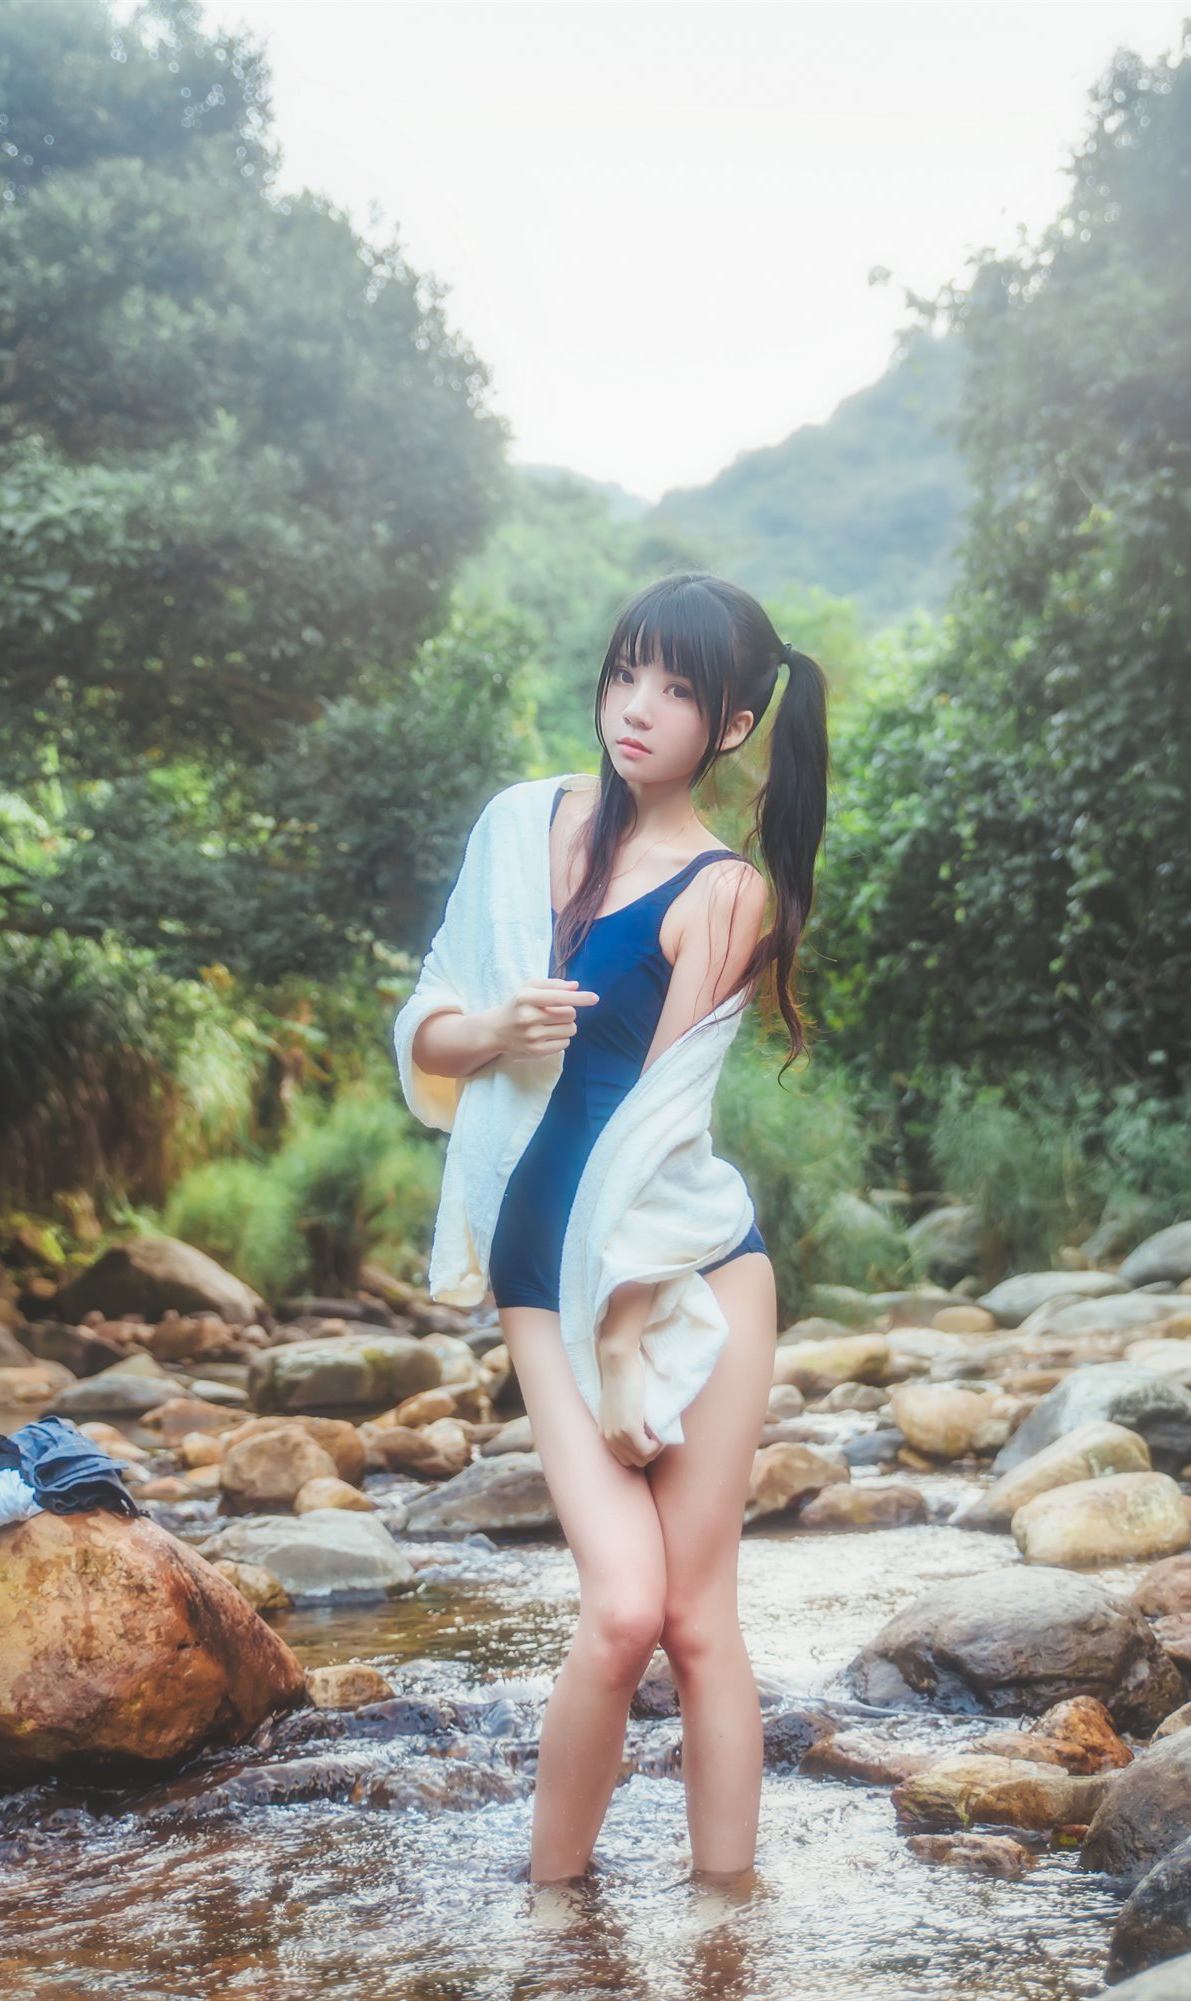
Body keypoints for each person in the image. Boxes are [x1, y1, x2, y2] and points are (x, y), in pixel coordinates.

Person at [399, 571, 830, 1894]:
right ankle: (553, 1922)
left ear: (734, 726)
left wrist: (632, 1333)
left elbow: (655, 1131)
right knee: (623, 1607)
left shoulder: (725, 893)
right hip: (543, 1270)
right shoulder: (520, 825)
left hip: (689, 1269)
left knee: (697, 1622)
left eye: (678, 689)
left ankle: (725, 1933)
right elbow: (429, 1028)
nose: (637, 707)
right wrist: (495, 1029)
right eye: (626, 672)